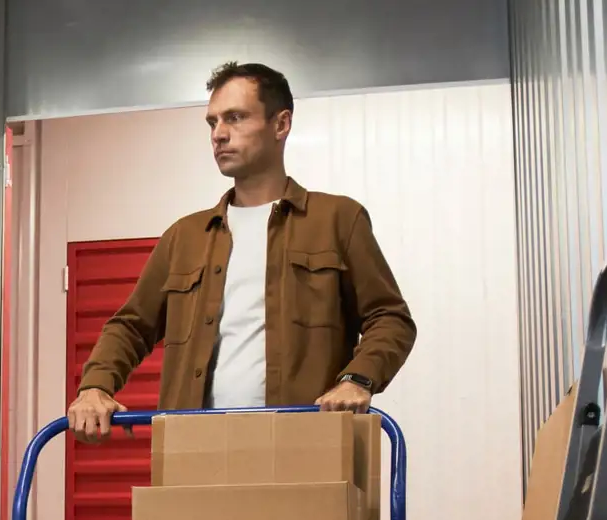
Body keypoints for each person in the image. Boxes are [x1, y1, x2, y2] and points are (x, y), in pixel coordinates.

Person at [67, 62, 417, 442]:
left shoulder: (338, 219)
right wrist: (95, 387)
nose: (218, 134)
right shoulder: (184, 237)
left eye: (234, 118)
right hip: (195, 450)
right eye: (212, 123)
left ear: (280, 124)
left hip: (305, 448)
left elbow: (390, 318)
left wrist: (357, 380)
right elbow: (131, 326)